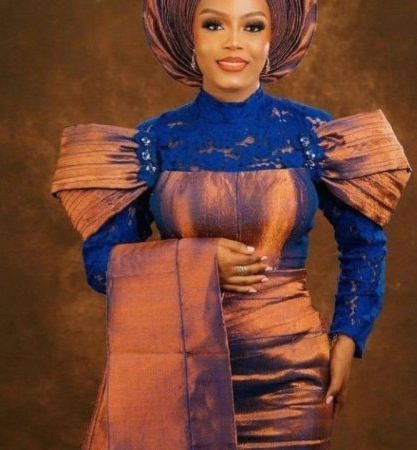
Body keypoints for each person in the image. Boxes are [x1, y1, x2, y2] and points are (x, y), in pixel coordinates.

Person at [50, 0, 411, 448]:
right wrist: (197, 264)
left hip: (294, 376)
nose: (234, 42)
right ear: (189, 38)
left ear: (273, 40)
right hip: (181, 376)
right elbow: (104, 267)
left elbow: (365, 244)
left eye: (253, 26)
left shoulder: (314, 135)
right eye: (214, 24)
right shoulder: (152, 141)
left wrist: (348, 337)